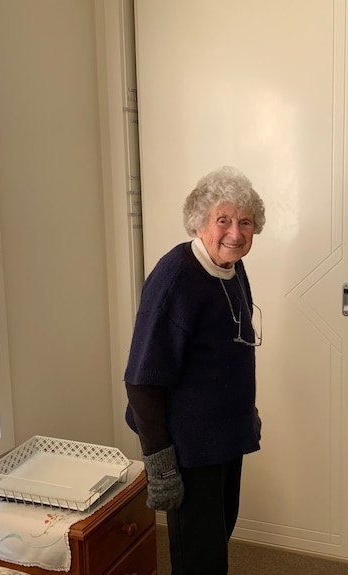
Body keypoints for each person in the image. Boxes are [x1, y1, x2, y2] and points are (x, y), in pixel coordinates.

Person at [123, 166, 265, 575]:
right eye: (223, 220)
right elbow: (142, 379)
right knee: (198, 559)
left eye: (245, 222)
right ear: (200, 221)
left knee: (217, 538)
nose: (235, 233)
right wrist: (161, 466)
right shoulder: (175, 279)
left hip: (224, 436)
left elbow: (230, 347)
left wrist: (244, 414)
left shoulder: (231, 267)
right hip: (188, 446)